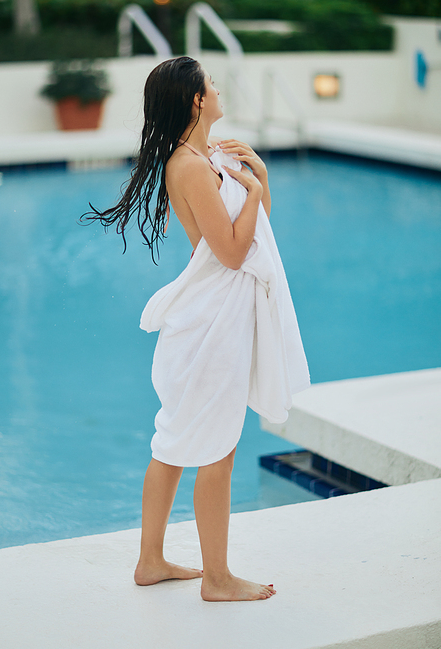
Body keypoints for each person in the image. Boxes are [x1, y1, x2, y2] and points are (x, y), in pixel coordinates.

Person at [82, 56, 310, 602]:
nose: (218, 87)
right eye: (211, 82)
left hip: (218, 319)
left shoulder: (208, 156)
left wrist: (260, 183)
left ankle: (151, 561)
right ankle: (217, 578)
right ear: (196, 100)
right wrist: (253, 191)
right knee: (213, 449)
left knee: (178, 442)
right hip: (210, 325)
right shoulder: (187, 166)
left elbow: (255, 231)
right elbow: (233, 253)